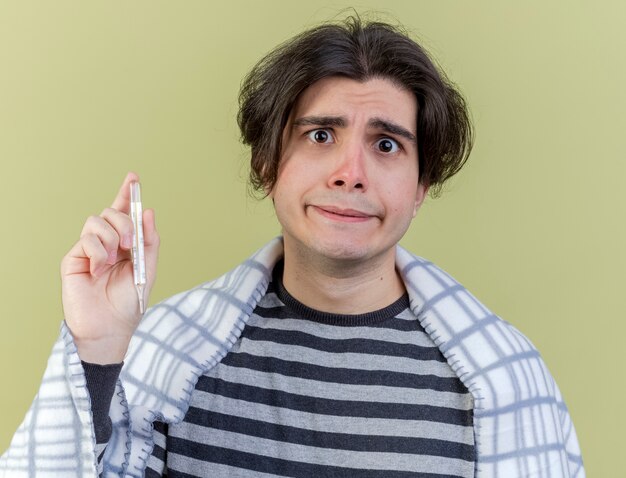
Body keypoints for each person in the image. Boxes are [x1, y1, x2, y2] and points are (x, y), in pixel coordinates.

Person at [0, 16, 584, 478]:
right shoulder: (162, 356)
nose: (350, 173)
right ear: (266, 162)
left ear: (420, 187)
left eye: (386, 145)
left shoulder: (507, 384)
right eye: (321, 135)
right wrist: (98, 349)